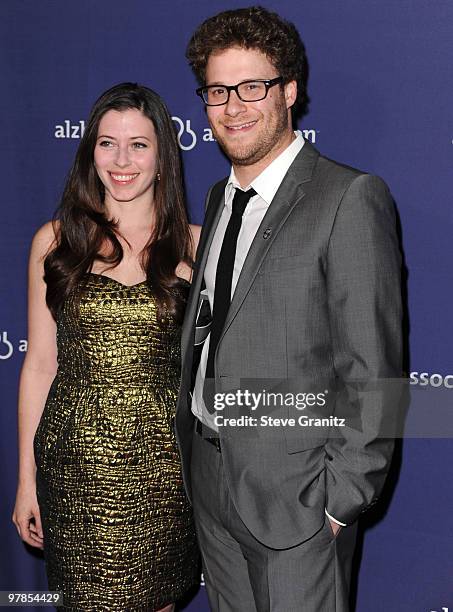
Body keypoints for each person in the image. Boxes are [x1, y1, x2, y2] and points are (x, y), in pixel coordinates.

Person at [175, 6, 403, 611]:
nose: (234, 106)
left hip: (298, 500)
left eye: (253, 86)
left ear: (290, 91)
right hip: (211, 477)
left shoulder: (349, 197)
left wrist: (338, 502)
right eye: (218, 90)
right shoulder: (221, 196)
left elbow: (375, 370)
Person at [12, 82, 200, 611]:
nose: (122, 160)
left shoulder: (196, 245)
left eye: (139, 144)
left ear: (163, 155)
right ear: (89, 152)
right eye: (106, 143)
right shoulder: (53, 241)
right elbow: (40, 365)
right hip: (72, 465)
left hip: (164, 466)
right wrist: (26, 480)